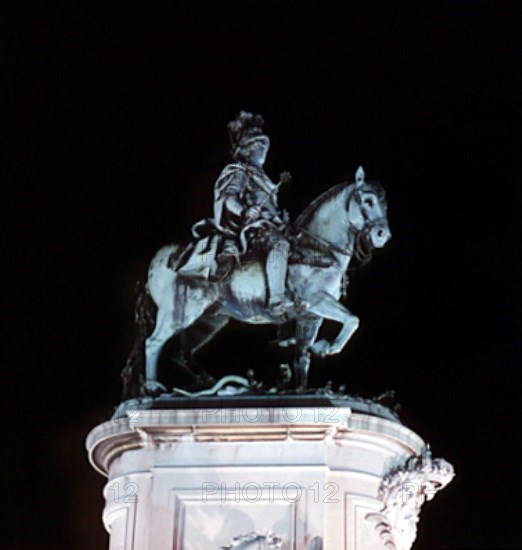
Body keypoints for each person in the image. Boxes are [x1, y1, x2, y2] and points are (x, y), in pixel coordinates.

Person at [179, 111, 293, 315]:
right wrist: (246, 211)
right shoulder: (240, 170)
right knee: (280, 244)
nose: (264, 152)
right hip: (249, 227)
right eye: (260, 147)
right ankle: (276, 302)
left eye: (265, 148)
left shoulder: (264, 177)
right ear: (248, 150)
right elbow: (228, 198)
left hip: (269, 224)